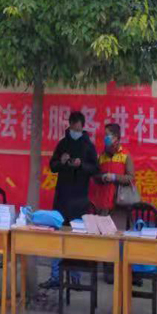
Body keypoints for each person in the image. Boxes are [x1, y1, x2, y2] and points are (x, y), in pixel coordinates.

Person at [40, 111, 98, 289]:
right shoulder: (62, 143)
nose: (75, 131)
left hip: (80, 199)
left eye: (78, 128)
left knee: (76, 237)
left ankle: (75, 277)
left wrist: (81, 165)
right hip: (62, 197)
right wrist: (62, 161)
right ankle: (55, 276)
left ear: (82, 126)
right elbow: (53, 166)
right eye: (73, 127)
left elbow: (95, 169)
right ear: (70, 125)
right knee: (57, 236)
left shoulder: (88, 145)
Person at [90, 123, 134, 284]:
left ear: (116, 137)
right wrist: (102, 177)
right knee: (105, 239)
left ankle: (120, 271)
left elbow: (131, 178)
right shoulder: (101, 156)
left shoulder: (125, 155)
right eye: (105, 135)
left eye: (108, 135)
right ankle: (108, 272)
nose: (105, 138)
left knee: (118, 238)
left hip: (118, 204)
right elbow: (95, 175)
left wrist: (115, 177)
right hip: (102, 203)